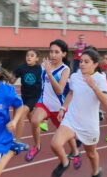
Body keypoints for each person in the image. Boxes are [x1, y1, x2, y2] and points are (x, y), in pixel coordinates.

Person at [50, 49, 107, 177]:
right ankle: (65, 162)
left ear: (95, 64)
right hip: (71, 120)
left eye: (86, 62)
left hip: (89, 124)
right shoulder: (75, 76)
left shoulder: (100, 79)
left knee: (91, 154)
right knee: (55, 144)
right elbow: (71, 92)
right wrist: (63, 108)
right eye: (81, 61)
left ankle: (96, 173)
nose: (82, 64)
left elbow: (106, 102)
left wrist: (93, 86)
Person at [26, 39, 79, 167]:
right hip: (44, 104)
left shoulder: (65, 70)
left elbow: (60, 90)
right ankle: (36, 146)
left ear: (63, 54)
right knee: (34, 120)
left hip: (58, 107)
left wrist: (49, 73)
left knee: (68, 135)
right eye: (51, 52)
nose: (53, 55)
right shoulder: (45, 65)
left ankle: (75, 152)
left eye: (57, 52)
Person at [13, 49, 42, 140]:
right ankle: (41, 126)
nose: (29, 57)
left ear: (36, 59)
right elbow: (12, 80)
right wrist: (6, 76)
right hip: (24, 96)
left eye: (32, 55)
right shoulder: (22, 68)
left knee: (21, 113)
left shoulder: (40, 69)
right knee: (33, 120)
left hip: (35, 96)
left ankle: (17, 140)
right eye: (27, 55)